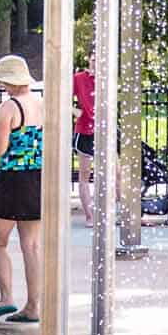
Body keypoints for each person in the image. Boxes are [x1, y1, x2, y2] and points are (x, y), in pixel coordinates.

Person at [0, 55, 42, 323]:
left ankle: (6, 297)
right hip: (37, 178)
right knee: (30, 245)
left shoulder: (9, 106)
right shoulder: (41, 104)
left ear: (8, 81)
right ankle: (33, 306)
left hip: (11, 179)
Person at [72, 59, 97, 222]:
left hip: (104, 130)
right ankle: (90, 216)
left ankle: (121, 214)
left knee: (115, 172)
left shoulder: (107, 79)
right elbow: (62, 97)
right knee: (85, 174)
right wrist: (77, 112)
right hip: (85, 131)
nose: (96, 63)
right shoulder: (78, 78)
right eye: (93, 60)